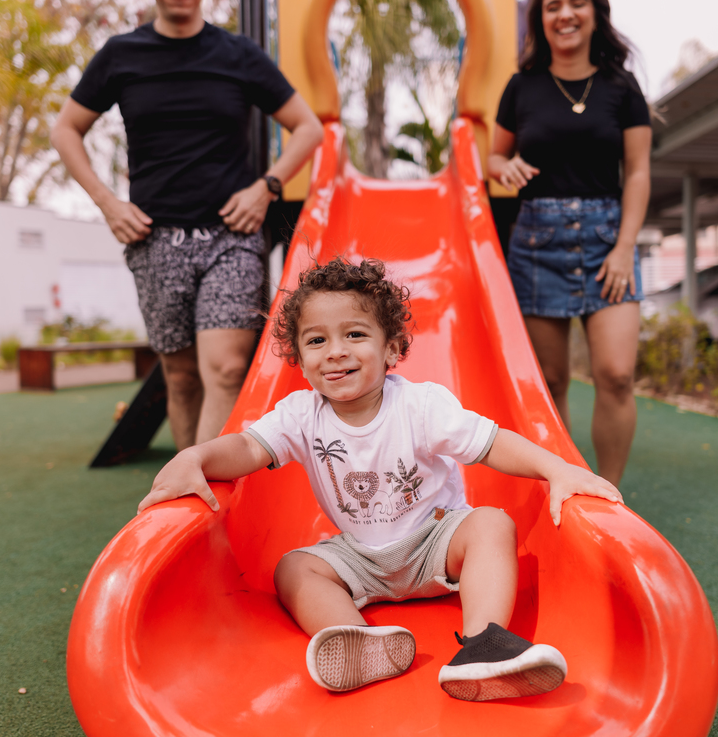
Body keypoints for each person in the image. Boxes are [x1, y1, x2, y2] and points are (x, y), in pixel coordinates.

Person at [137, 257, 623, 700]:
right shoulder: (301, 414)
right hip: (359, 557)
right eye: (316, 340)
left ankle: (484, 643)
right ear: (300, 360)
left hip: (435, 542)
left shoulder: (420, 405)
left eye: (354, 335)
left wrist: (557, 469)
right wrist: (196, 457)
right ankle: (361, 643)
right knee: (293, 568)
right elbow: (246, 447)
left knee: (492, 524)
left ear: (391, 350)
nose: (334, 352)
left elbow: (493, 442)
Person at [51, 0, 324, 449]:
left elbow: (307, 127)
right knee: (180, 377)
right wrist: (107, 202)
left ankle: (205, 500)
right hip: (154, 240)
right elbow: (66, 129)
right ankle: (186, 501)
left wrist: (267, 186)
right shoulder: (121, 55)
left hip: (231, 237)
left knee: (225, 368)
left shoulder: (238, 54)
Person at [488, 0, 651, 487]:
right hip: (537, 241)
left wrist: (625, 247)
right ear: (541, 19)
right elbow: (491, 160)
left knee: (617, 375)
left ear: (594, 12)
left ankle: (611, 495)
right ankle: (561, 486)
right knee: (550, 381)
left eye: (575, 3)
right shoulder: (522, 87)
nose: (565, 14)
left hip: (608, 238)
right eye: (552, 6)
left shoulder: (621, 88)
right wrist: (503, 167)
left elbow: (640, 171)